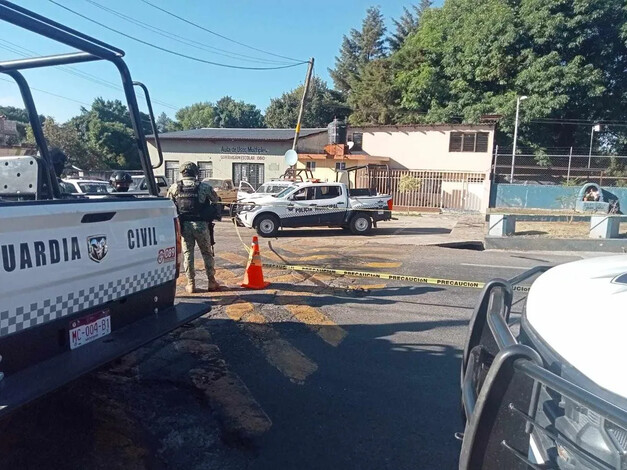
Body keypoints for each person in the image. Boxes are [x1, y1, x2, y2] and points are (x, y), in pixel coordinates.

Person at [167, 161, 221, 293]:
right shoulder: (204, 187)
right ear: (196, 173)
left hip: (184, 226)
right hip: (201, 225)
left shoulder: (174, 187)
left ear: (182, 172)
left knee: (188, 254)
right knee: (207, 253)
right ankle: (211, 282)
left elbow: (168, 205)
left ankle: (191, 284)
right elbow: (216, 201)